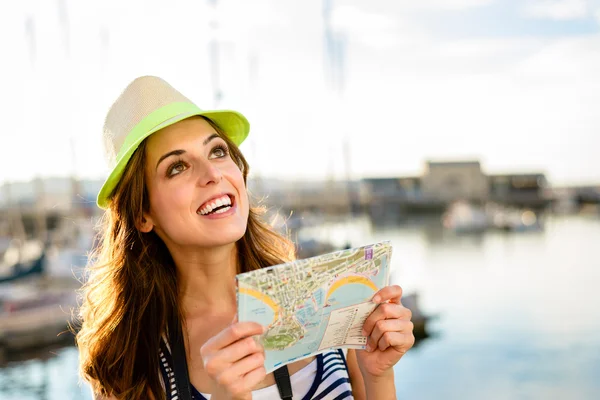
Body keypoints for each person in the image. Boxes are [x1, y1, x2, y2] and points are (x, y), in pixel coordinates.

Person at [76, 76, 415, 400]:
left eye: (218, 152)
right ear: (142, 214)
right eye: (177, 167)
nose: (213, 174)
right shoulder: (128, 360)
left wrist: (379, 375)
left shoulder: (327, 301)